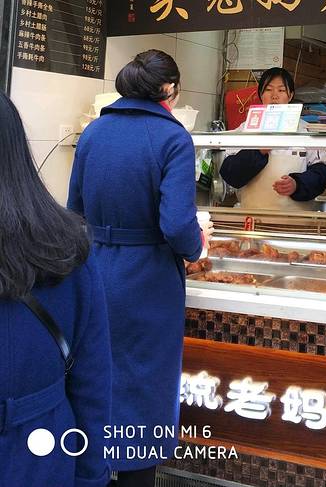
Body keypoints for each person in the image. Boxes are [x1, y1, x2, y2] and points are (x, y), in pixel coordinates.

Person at [67, 50, 214, 487]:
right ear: (169, 89)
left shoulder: (94, 132)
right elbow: (177, 225)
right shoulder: (173, 138)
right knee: (146, 388)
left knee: (96, 378)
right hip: (148, 279)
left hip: (96, 269)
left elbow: (74, 209)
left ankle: (95, 472)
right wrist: (197, 247)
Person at [0, 91, 111, 487]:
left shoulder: (95, 134)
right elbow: (92, 380)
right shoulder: (65, 244)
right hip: (42, 454)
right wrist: (91, 474)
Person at [220, 67, 326, 210]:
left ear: (290, 96)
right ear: (261, 95)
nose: (274, 96)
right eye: (268, 90)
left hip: (295, 219)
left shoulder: (305, 131)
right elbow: (230, 174)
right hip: (252, 218)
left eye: (281, 90)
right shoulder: (245, 129)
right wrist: (258, 152)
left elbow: (321, 174)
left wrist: (297, 184)